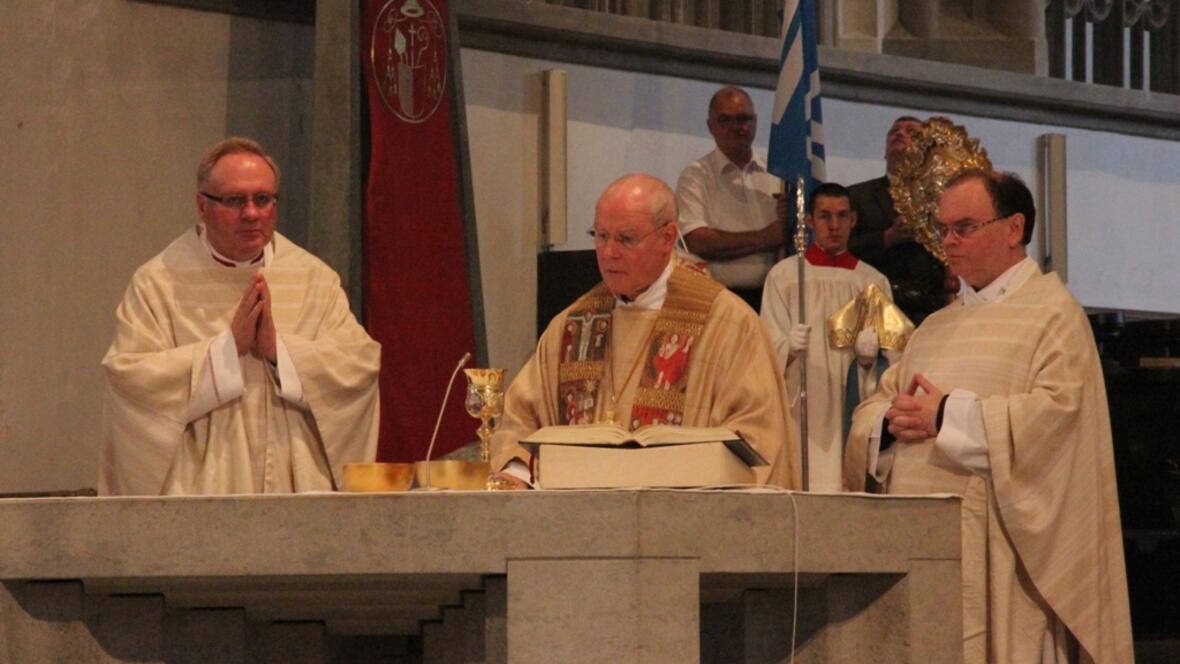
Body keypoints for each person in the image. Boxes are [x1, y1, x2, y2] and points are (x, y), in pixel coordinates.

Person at [844, 171, 1132, 662]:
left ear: (1013, 228)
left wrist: (947, 414)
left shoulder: (1054, 315)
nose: (949, 243)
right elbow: (880, 404)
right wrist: (889, 425)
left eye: (964, 228)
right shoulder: (935, 326)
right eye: (942, 230)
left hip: (1003, 560)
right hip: (915, 551)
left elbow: (1058, 421)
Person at [100, 137, 381, 495]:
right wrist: (225, 352)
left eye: (263, 199)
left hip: (294, 488)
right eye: (235, 200)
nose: (251, 213)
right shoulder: (159, 283)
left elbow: (359, 366)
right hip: (201, 489)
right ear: (202, 206)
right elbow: (130, 380)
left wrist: (281, 352)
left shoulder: (313, 279)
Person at [491, 174, 799, 489]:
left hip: (682, 526)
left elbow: (759, 437)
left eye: (626, 239)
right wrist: (518, 472)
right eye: (600, 235)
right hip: (580, 525)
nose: (609, 252)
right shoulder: (573, 325)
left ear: (667, 238)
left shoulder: (728, 325)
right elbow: (519, 422)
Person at [761, 183, 903, 492]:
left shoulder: (872, 281)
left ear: (854, 220)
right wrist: (787, 348)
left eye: (842, 216)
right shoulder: (785, 277)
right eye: (825, 216)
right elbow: (763, 348)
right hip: (805, 397)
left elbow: (896, 363)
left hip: (853, 397)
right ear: (809, 221)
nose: (834, 225)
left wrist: (870, 362)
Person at [676, 86, 789, 311]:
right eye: (725, 120)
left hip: (774, 301)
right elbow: (699, 241)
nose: (736, 127)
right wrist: (768, 236)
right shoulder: (696, 176)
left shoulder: (778, 174)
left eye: (743, 119)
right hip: (718, 300)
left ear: (755, 122)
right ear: (710, 126)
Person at [847, 116, 948, 324]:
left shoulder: (943, 198)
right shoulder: (857, 196)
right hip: (873, 307)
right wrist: (885, 238)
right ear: (885, 152)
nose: (900, 134)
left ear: (927, 151)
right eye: (895, 131)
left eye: (911, 132)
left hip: (929, 311)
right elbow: (842, 249)